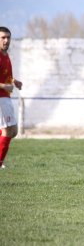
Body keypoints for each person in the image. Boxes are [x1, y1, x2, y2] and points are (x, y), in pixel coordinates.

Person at [0, 27, 23, 169]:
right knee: (8, 131)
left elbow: (6, 75)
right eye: (3, 37)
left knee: (12, 131)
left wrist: (14, 81)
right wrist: (4, 86)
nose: (6, 40)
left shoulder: (6, 55)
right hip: (1, 98)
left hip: (5, 98)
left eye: (8, 37)